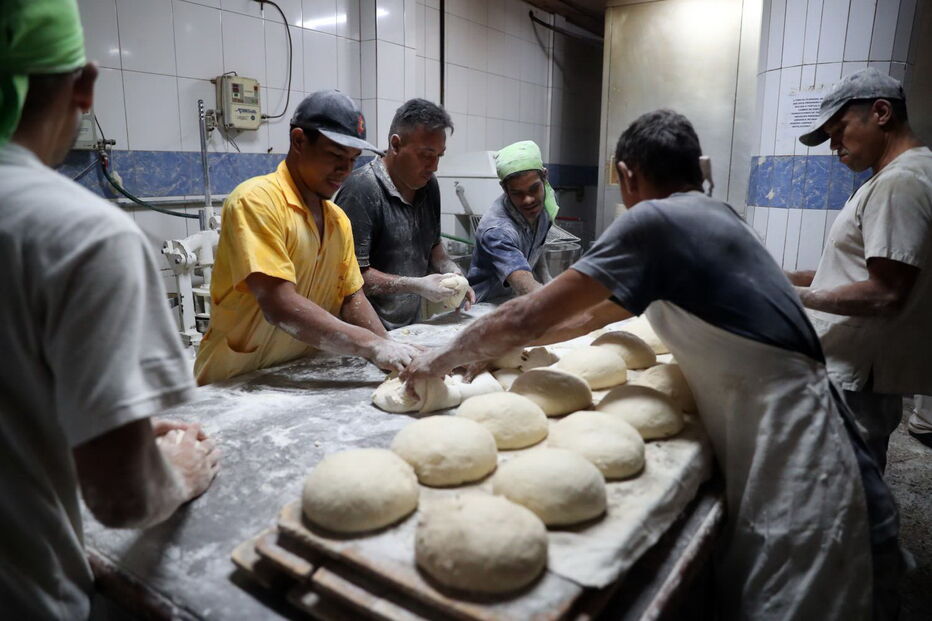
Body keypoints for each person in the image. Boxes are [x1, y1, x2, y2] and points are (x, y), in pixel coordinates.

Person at [402, 110, 901, 620]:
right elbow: (590, 315)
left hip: (796, 454)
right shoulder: (713, 214)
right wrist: (487, 347)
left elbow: (531, 313)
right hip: (804, 429)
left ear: (628, 174)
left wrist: (440, 356)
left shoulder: (655, 222)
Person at [0, 1, 220, 617]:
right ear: (86, 86)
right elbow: (121, 498)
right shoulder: (81, 234)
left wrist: (86, 421)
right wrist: (176, 473)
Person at [194, 91, 421, 385]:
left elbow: (351, 297)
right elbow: (279, 304)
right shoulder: (256, 201)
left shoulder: (337, 220)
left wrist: (391, 348)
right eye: (336, 156)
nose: (345, 170)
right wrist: (372, 346)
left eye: (352, 159)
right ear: (299, 141)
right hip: (236, 382)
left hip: (297, 375)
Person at [789, 68, 932, 471]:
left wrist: (789, 296)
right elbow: (857, 269)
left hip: (857, 377)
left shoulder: (900, 182)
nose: (834, 145)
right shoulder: (899, 176)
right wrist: (782, 276)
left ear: (882, 112)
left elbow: (885, 293)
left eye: (839, 129)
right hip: (856, 372)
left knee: (850, 493)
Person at [334, 98, 474, 330]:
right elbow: (350, 279)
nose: (434, 166)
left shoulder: (429, 186)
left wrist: (455, 275)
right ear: (396, 145)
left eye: (439, 155)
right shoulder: (362, 190)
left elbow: (433, 247)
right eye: (426, 155)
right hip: (363, 331)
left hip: (410, 328)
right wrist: (416, 285)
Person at [467, 140, 557, 302]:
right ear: (504, 188)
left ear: (544, 176)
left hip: (517, 299)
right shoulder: (497, 230)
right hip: (486, 306)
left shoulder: (545, 205)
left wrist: (547, 279)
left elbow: (537, 245)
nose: (528, 200)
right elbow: (524, 284)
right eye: (518, 193)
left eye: (534, 189)